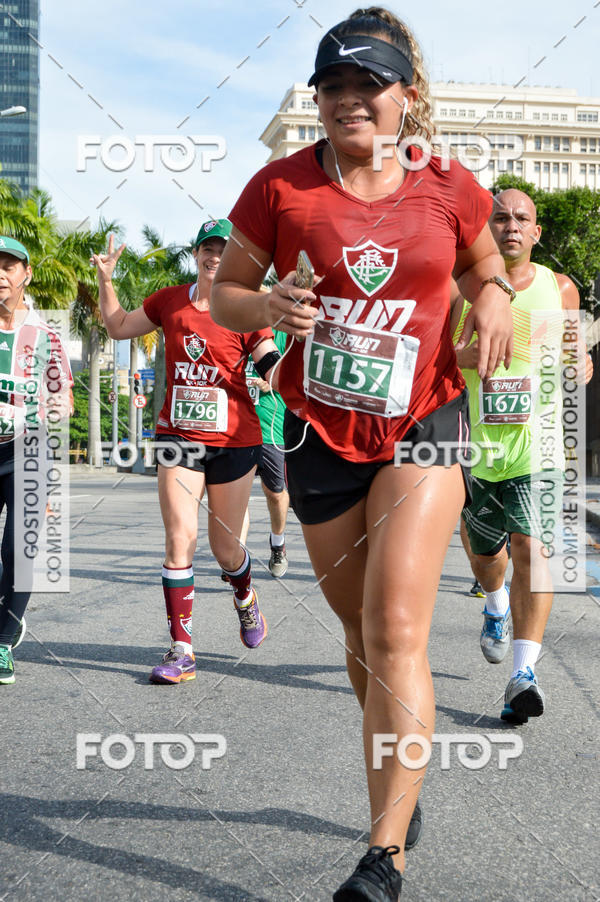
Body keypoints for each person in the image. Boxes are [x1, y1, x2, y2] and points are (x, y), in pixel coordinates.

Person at [211, 8, 513, 899]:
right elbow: (224, 291)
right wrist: (268, 310)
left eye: (367, 87)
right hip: (317, 435)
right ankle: (401, 772)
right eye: (332, 88)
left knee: (396, 627)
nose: (349, 101)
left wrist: (491, 295)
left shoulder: (449, 183)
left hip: (425, 421)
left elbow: (483, 262)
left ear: (404, 98)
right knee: (361, 636)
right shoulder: (280, 188)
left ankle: (383, 855)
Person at [92, 220, 281, 684]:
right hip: (177, 437)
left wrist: (284, 373)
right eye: (207, 248)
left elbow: (270, 359)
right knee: (181, 539)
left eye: (223, 249)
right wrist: (105, 280)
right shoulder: (169, 300)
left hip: (236, 440)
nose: (215, 256)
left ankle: (245, 595)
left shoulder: (245, 308)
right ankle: (182, 650)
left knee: (225, 548)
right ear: (196, 255)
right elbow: (117, 327)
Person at [451, 188, 593, 722]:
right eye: (500, 217)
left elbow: (575, 356)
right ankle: (494, 606)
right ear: (486, 229)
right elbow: (442, 357)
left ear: (536, 232)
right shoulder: (462, 288)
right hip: (481, 446)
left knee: (533, 547)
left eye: (522, 219)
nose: (511, 225)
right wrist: (471, 354)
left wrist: (581, 365)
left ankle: (523, 673)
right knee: (487, 556)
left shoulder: (561, 288)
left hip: (543, 444)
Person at [0, 237, 72, 685]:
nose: (0, 275)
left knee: (20, 551)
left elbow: (62, 397)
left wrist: (48, 408)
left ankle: (4, 640)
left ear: (26, 274)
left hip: (27, 450)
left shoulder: (45, 336)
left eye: (9, 267)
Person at [249, 328, 290, 577]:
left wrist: (271, 382)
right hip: (234, 428)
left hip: (271, 428)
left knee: (274, 493)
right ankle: (235, 556)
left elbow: (295, 378)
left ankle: (278, 545)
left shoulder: (282, 335)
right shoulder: (231, 328)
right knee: (235, 494)